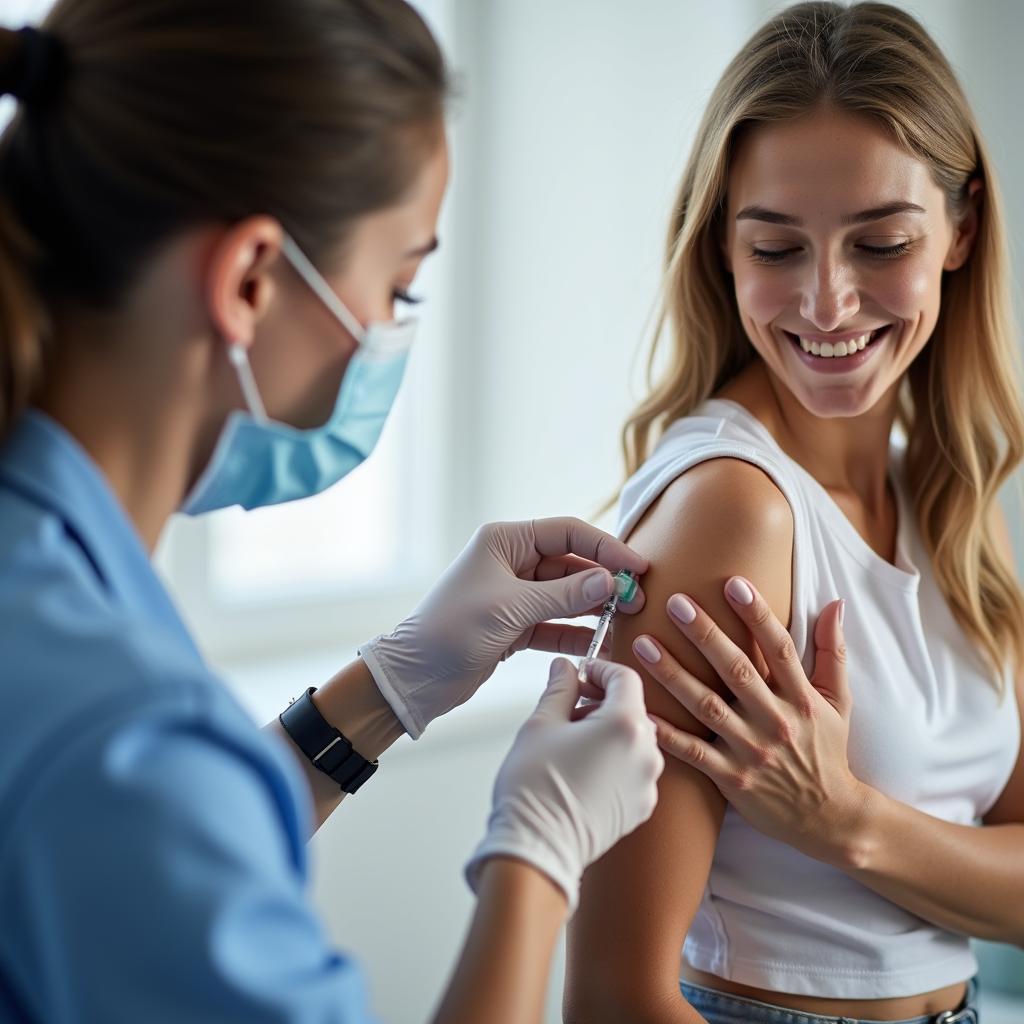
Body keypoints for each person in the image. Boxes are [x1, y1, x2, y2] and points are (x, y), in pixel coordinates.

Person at [0, 3, 665, 1022]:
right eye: (398, 287)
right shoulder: (120, 732)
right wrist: (537, 851)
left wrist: (383, 688)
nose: (390, 334)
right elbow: (140, 807)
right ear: (253, 279)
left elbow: (119, 869)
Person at [564, 3, 1022, 1023]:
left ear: (961, 229)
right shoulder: (734, 511)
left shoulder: (952, 501)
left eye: (879, 242)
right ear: (720, 250)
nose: (824, 303)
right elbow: (612, 997)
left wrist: (848, 820)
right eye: (775, 248)